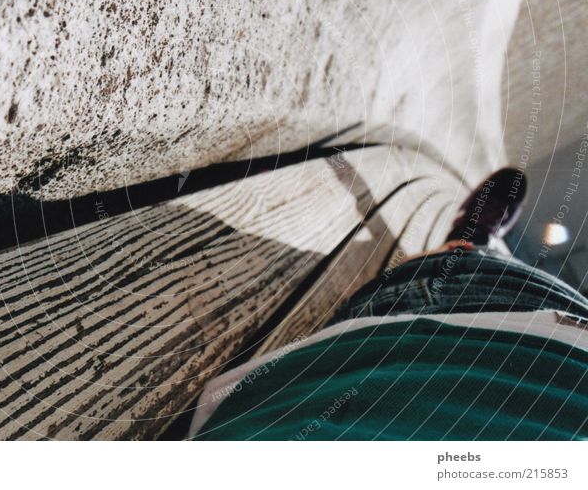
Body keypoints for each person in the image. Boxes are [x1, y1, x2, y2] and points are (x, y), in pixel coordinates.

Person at [190, 168, 588, 440]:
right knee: (487, 268)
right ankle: (476, 238)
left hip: (481, 338)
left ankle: (472, 236)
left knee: (471, 268)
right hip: (559, 333)